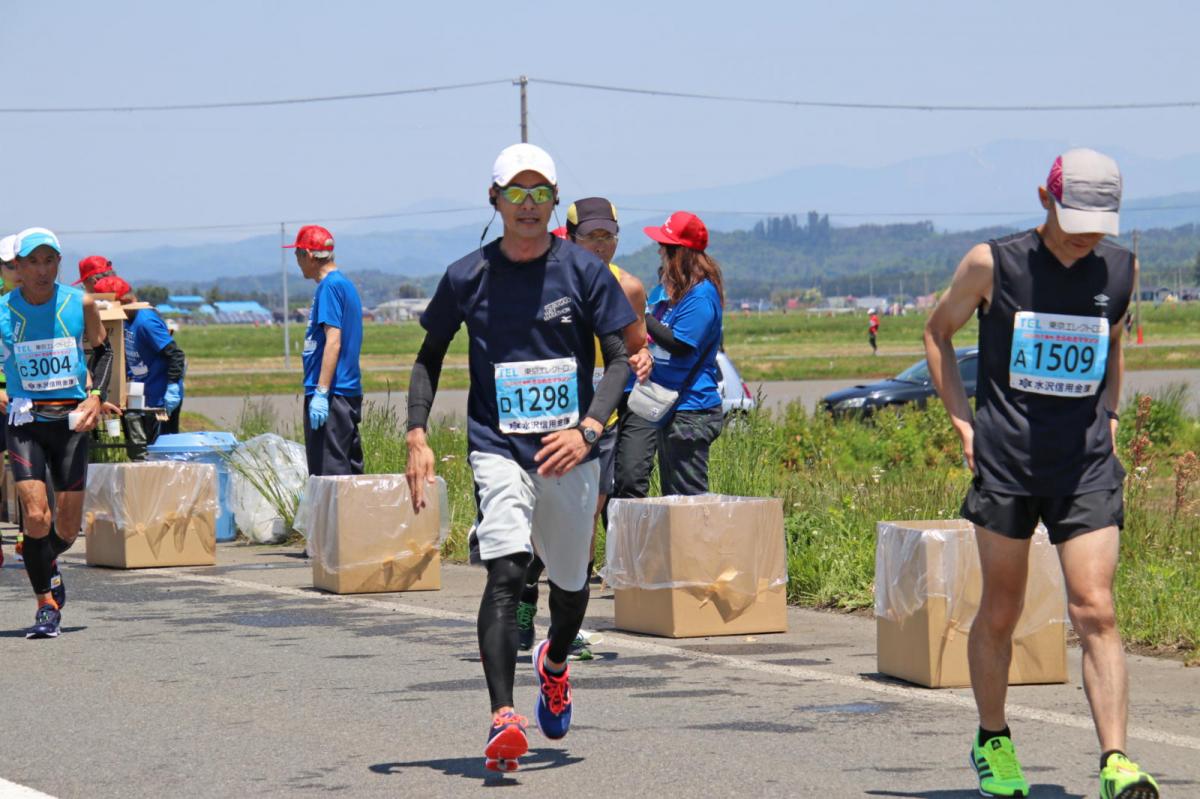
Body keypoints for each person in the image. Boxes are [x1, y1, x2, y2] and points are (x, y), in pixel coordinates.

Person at [923, 148, 1159, 799]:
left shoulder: (1122, 268)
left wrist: (1111, 413)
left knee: (1096, 607)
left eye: (1099, 224)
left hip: (1084, 464)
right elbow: (937, 333)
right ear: (1044, 199)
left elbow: (1111, 345)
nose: (1087, 236)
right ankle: (992, 739)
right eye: (1076, 220)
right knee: (1002, 608)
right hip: (1007, 463)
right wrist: (964, 424)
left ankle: (1116, 762)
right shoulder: (992, 263)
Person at [404, 143, 634, 772]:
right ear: (494, 199)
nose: (527, 204)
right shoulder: (466, 276)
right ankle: (503, 714)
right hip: (498, 445)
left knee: (571, 587)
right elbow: (428, 358)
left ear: (554, 201)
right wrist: (417, 434)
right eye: (515, 192)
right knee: (506, 571)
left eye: (539, 193)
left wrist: (588, 429)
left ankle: (554, 664)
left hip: (570, 451)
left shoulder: (583, 272)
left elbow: (620, 360)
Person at [516, 198, 647, 657]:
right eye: (592, 236)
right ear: (570, 237)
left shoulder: (628, 288)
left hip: (599, 421)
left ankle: (564, 628)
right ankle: (525, 596)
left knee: (583, 519)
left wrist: (642, 359)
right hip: (546, 418)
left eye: (609, 236)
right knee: (540, 519)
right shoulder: (546, 279)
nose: (601, 245)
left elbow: (636, 345)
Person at [1, 228, 118, 639]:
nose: (42, 270)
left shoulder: (79, 302)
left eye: (49, 261)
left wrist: (96, 397)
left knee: (65, 530)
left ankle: (39, 553)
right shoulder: (3, 310)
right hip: (25, 421)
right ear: (17, 267)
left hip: (71, 422)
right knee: (36, 515)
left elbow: (103, 350)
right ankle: (46, 605)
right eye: (33, 262)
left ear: (58, 264)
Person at [628, 211, 725, 496]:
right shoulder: (676, 293)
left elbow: (680, 345)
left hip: (692, 410)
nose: (660, 251)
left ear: (680, 252)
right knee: (674, 497)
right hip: (673, 408)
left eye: (665, 246)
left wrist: (641, 315)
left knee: (688, 499)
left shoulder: (701, 296)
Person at [284, 225, 364, 477]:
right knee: (347, 475)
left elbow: (333, 341)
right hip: (344, 393)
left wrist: (321, 392)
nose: (296, 262)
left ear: (308, 255)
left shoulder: (329, 287)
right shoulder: (343, 284)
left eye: (297, 254)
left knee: (330, 478)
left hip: (332, 395)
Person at [89, 275, 186, 459]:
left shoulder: (146, 322)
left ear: (123, 301)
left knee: (162, 456)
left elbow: (176, 355)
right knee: (142, 454)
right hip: (142, 398)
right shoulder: (125, 320)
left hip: (159, 402)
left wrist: (173, 387)